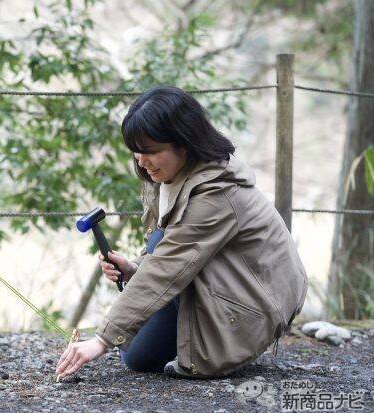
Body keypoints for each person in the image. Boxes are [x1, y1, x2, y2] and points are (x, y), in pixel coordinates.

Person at [56, 86, 307, 379]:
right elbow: (171, 253)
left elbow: (167, 264)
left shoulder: (217, 192)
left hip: (253, 306)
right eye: (136, 151)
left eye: (150, 151)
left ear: (184, 143)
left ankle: (220, 347)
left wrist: (101, 340)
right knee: (136, 354)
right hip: (222, 283)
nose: (141, 161)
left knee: (157, 251)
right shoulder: (173, 175)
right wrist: (134, 268)